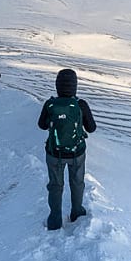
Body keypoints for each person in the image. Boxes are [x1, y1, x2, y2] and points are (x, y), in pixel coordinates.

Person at [37, 69, 96, 230]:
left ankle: (55, 220)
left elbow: (41, 125)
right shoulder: (80, 104)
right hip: (77, 154)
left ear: (57, 86)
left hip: (54, 153)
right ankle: (77, 212)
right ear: (75, 86)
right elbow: (91, 128)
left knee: (55, 186)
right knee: (77, 183)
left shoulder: (50, 104)